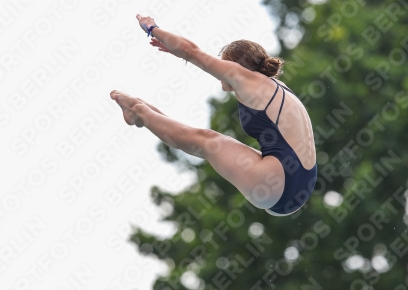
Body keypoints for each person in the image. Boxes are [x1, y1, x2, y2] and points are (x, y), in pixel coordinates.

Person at [110, 14, 317, 216]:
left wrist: (152, 28)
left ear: (234, 65)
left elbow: (192, 51)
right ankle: (143, 111)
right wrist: (177, 50)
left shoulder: (245, 78)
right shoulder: (276, 86)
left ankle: (138, 112)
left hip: (275, 181)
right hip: (301, 183)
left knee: (206, 141)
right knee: (203, 139)